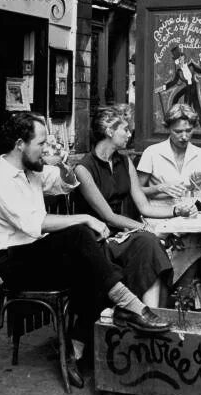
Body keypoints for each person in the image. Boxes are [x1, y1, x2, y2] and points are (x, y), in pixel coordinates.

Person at [0, 112, 170, 389]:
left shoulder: (30, 169)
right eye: (41, 143)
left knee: (95, 259)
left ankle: (75, 348)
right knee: (81, 234)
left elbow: (65, 183)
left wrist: (65, 163)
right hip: (16, 265)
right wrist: (86, 217)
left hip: (37, 254)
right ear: (20, 144)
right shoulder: (0, 181)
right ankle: (129, 306)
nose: (45, 148)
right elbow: (36, 224)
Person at [73, 105, 190, 309]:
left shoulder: (124, 161)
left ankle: (150, 313)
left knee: (151, 243)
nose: (129, 134)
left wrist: (175, 211)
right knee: (149, 241)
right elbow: (108, 217)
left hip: (122, 234)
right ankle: (147, 314)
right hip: (97, 239)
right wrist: (145, 228)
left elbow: (144, 206)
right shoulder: (84, 169)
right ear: (110, 132)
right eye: (125, 129)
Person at [137, 103, 201, 305]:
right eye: (177, 131)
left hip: (188, 217)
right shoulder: (152, 153)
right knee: (189, 244)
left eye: (188, 131)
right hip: (158, 216)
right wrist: (160, 188)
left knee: (200, 239)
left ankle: (184, 303)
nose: (183, 136)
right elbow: (137, 192)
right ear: (167, 128)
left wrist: (199, 188)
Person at [160, 45, 201, 130]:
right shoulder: (179, 71)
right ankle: (182, 124)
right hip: (188, 89)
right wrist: (163, 87)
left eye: (180, 59)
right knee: (184, 104)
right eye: (177, 60)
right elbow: (173, 82)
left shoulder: (191, 65)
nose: (180, 61)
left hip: (194, 88)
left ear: (183, 57)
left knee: (196, 106)